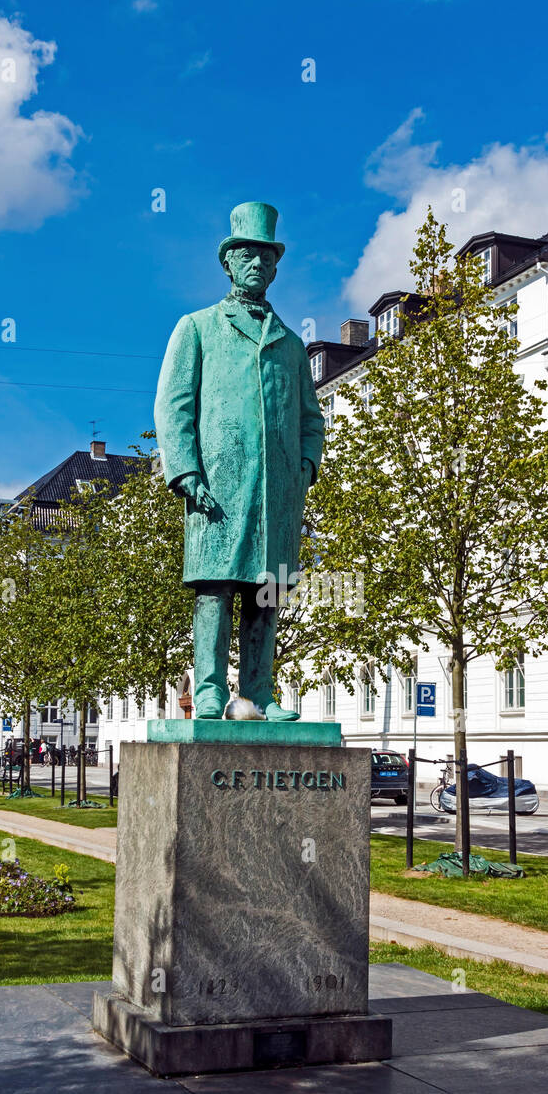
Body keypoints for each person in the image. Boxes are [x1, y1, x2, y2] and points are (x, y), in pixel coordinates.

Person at [155, 201, 324, 720]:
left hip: (277, 491)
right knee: (216, 588)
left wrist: (305, 467)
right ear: (228, 263)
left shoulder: (292, 345)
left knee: (267, 593)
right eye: (245, 254)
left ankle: (258, 693)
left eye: (265, 257)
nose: (256, 264)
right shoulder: (198, 328)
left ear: (275, 268)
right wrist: (185, 470)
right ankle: (207, 689)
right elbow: (174, 404)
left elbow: (310, 419)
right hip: (217, 487)